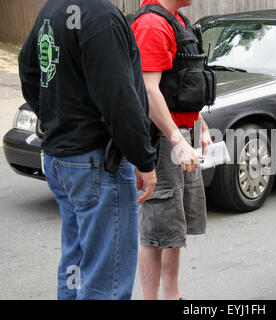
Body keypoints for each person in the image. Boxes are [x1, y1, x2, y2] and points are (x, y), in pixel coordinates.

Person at [18, 0, 158, 300]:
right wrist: (144, 160)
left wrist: (55, 117)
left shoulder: (52, 9)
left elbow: (28, 69)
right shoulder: (100, 16)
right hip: (94, 162)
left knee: (77, 264)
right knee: (105, 277)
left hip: (62, 158)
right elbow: (119, 99)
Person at [132, 0, 215, 300]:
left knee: (173, 228)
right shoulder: (152, 25)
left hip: (179, 134)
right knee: (155, 230)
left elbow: (176, 87)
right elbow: (149, 90)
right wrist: (177, 141)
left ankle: (172, 296)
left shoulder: (176, 20)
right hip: (160, 139)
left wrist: (199, 124)